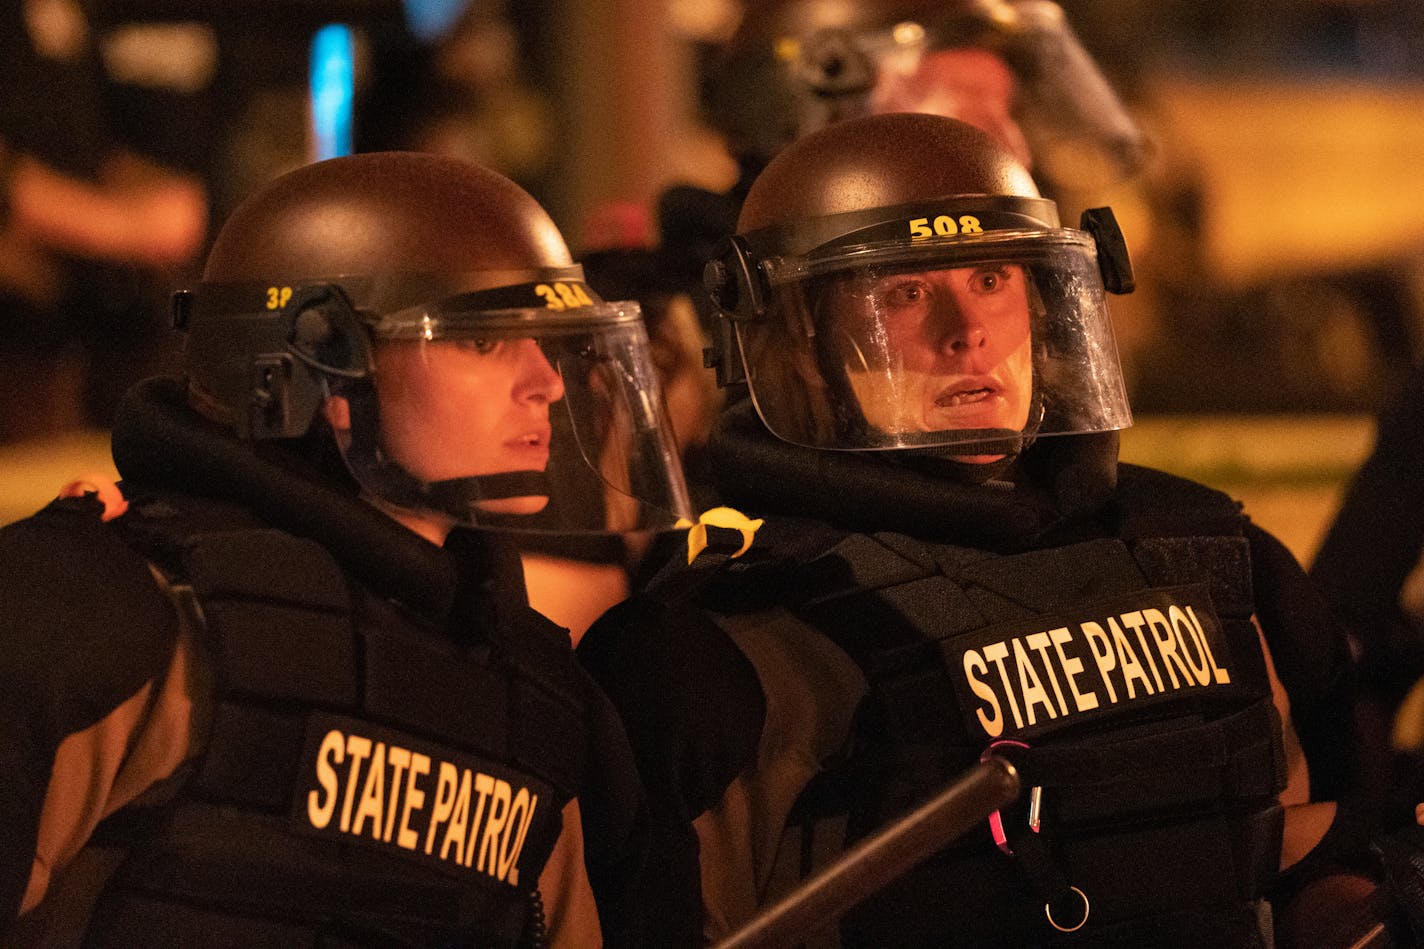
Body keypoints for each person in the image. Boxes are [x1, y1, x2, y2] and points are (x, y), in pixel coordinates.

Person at [577, 113, 1376, 947]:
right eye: (906, 292)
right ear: (804, 343)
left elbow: (1302, 852)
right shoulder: (717, 652)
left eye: (993, 276)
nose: (968, 331)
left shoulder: (1216, 556)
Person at [0, 150, 694, 946]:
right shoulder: (103, 606)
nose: (548, 381)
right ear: (318, 368)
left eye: (548, 343)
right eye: (483, 343)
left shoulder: (538, 703)